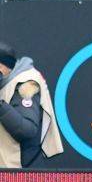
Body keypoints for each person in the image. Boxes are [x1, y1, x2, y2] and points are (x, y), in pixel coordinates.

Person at [0, 41, 63, 169]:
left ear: (2, 67)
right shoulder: (4, 82)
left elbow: (26, 130)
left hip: (17, 171)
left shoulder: (25, 83)